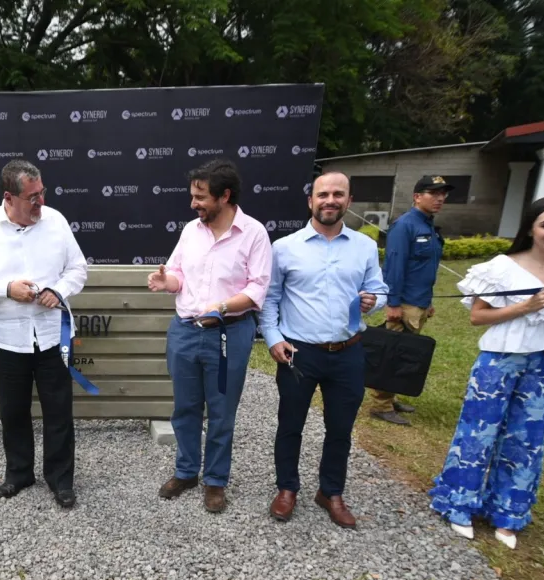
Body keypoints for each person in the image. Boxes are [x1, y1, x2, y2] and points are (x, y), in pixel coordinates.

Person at [429, 196, 544, 550]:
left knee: (527, 439)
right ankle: (458, 502)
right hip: (499, 359)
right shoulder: (503, 266)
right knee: (477, 434)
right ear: (531, 228)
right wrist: (527, 306)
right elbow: (477, 317)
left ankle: (509, 512)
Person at [0, 159, 88, 509]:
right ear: (9, 197)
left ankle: (60, 479)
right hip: (7, 337)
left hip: (52, 335)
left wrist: (58, 290)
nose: (40, 201)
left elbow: (78, 269)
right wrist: (5, 288)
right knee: (12, 410)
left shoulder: (56, 221)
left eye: (42, 192)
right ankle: (18, 473)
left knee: (59, 410)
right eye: (32, 196)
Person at [259, 171, 387, 529]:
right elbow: (270, 300)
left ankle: (330, 492)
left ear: (349, 201)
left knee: (340, 428)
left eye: (338, 194)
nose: (330, 200)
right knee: (290, 425)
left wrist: (374, 302)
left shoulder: (364, 247)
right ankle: (287, 489)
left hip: (348, 352)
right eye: (323, 194)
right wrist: (273, 339)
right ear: (310, 201)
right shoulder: (284, 247)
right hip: (299, 353)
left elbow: (380, 290)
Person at [147, 159, 272, 513]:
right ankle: (186, 472)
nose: (193, 203)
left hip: (229, 334)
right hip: (185, 332)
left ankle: (215, 481)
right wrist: (165, 281)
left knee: (221, 411)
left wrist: (222, 306)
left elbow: (258, 288)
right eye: (193, 196)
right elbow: (178, 273)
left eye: (200, 197)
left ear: (225, 195)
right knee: (185, 408)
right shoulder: (190, 231)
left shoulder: (254, 233)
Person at [369, 175, 450, 425]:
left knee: (406, 353)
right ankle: (380, 405)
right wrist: (392, 303)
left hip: (419, 301)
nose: (440, 198)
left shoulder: (428, 225)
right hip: (403, 303)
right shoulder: (405, 225)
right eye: (433, 193)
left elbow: (425, 269)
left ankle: (389, 398)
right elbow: (394, 265)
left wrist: (427, 301)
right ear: (417, 196)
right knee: (393, 354)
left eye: (443, 194)